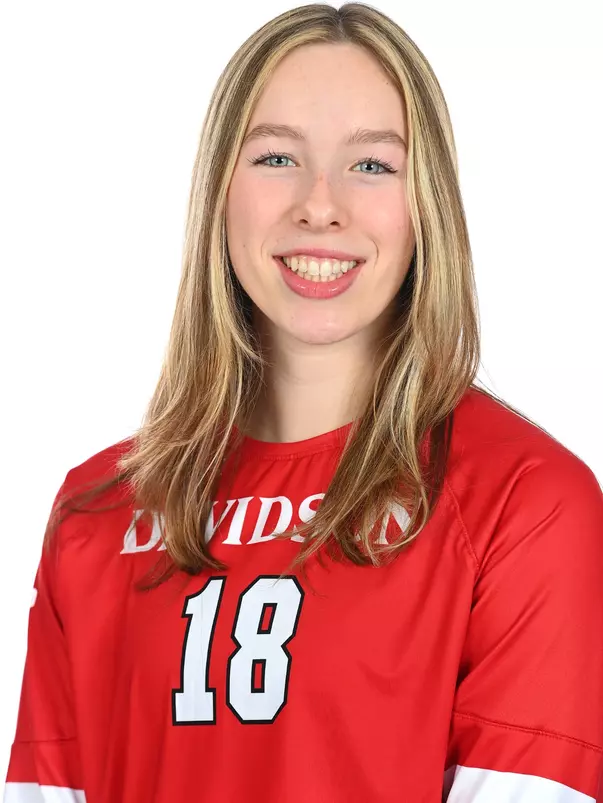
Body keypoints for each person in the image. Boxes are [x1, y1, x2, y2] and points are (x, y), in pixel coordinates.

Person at [4, 3, 603, 802]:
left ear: (425, 207)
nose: (319, 205)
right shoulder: (95, 511)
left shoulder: (524, 505)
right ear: (219, 192)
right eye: (276, 157)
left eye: (371, 166)